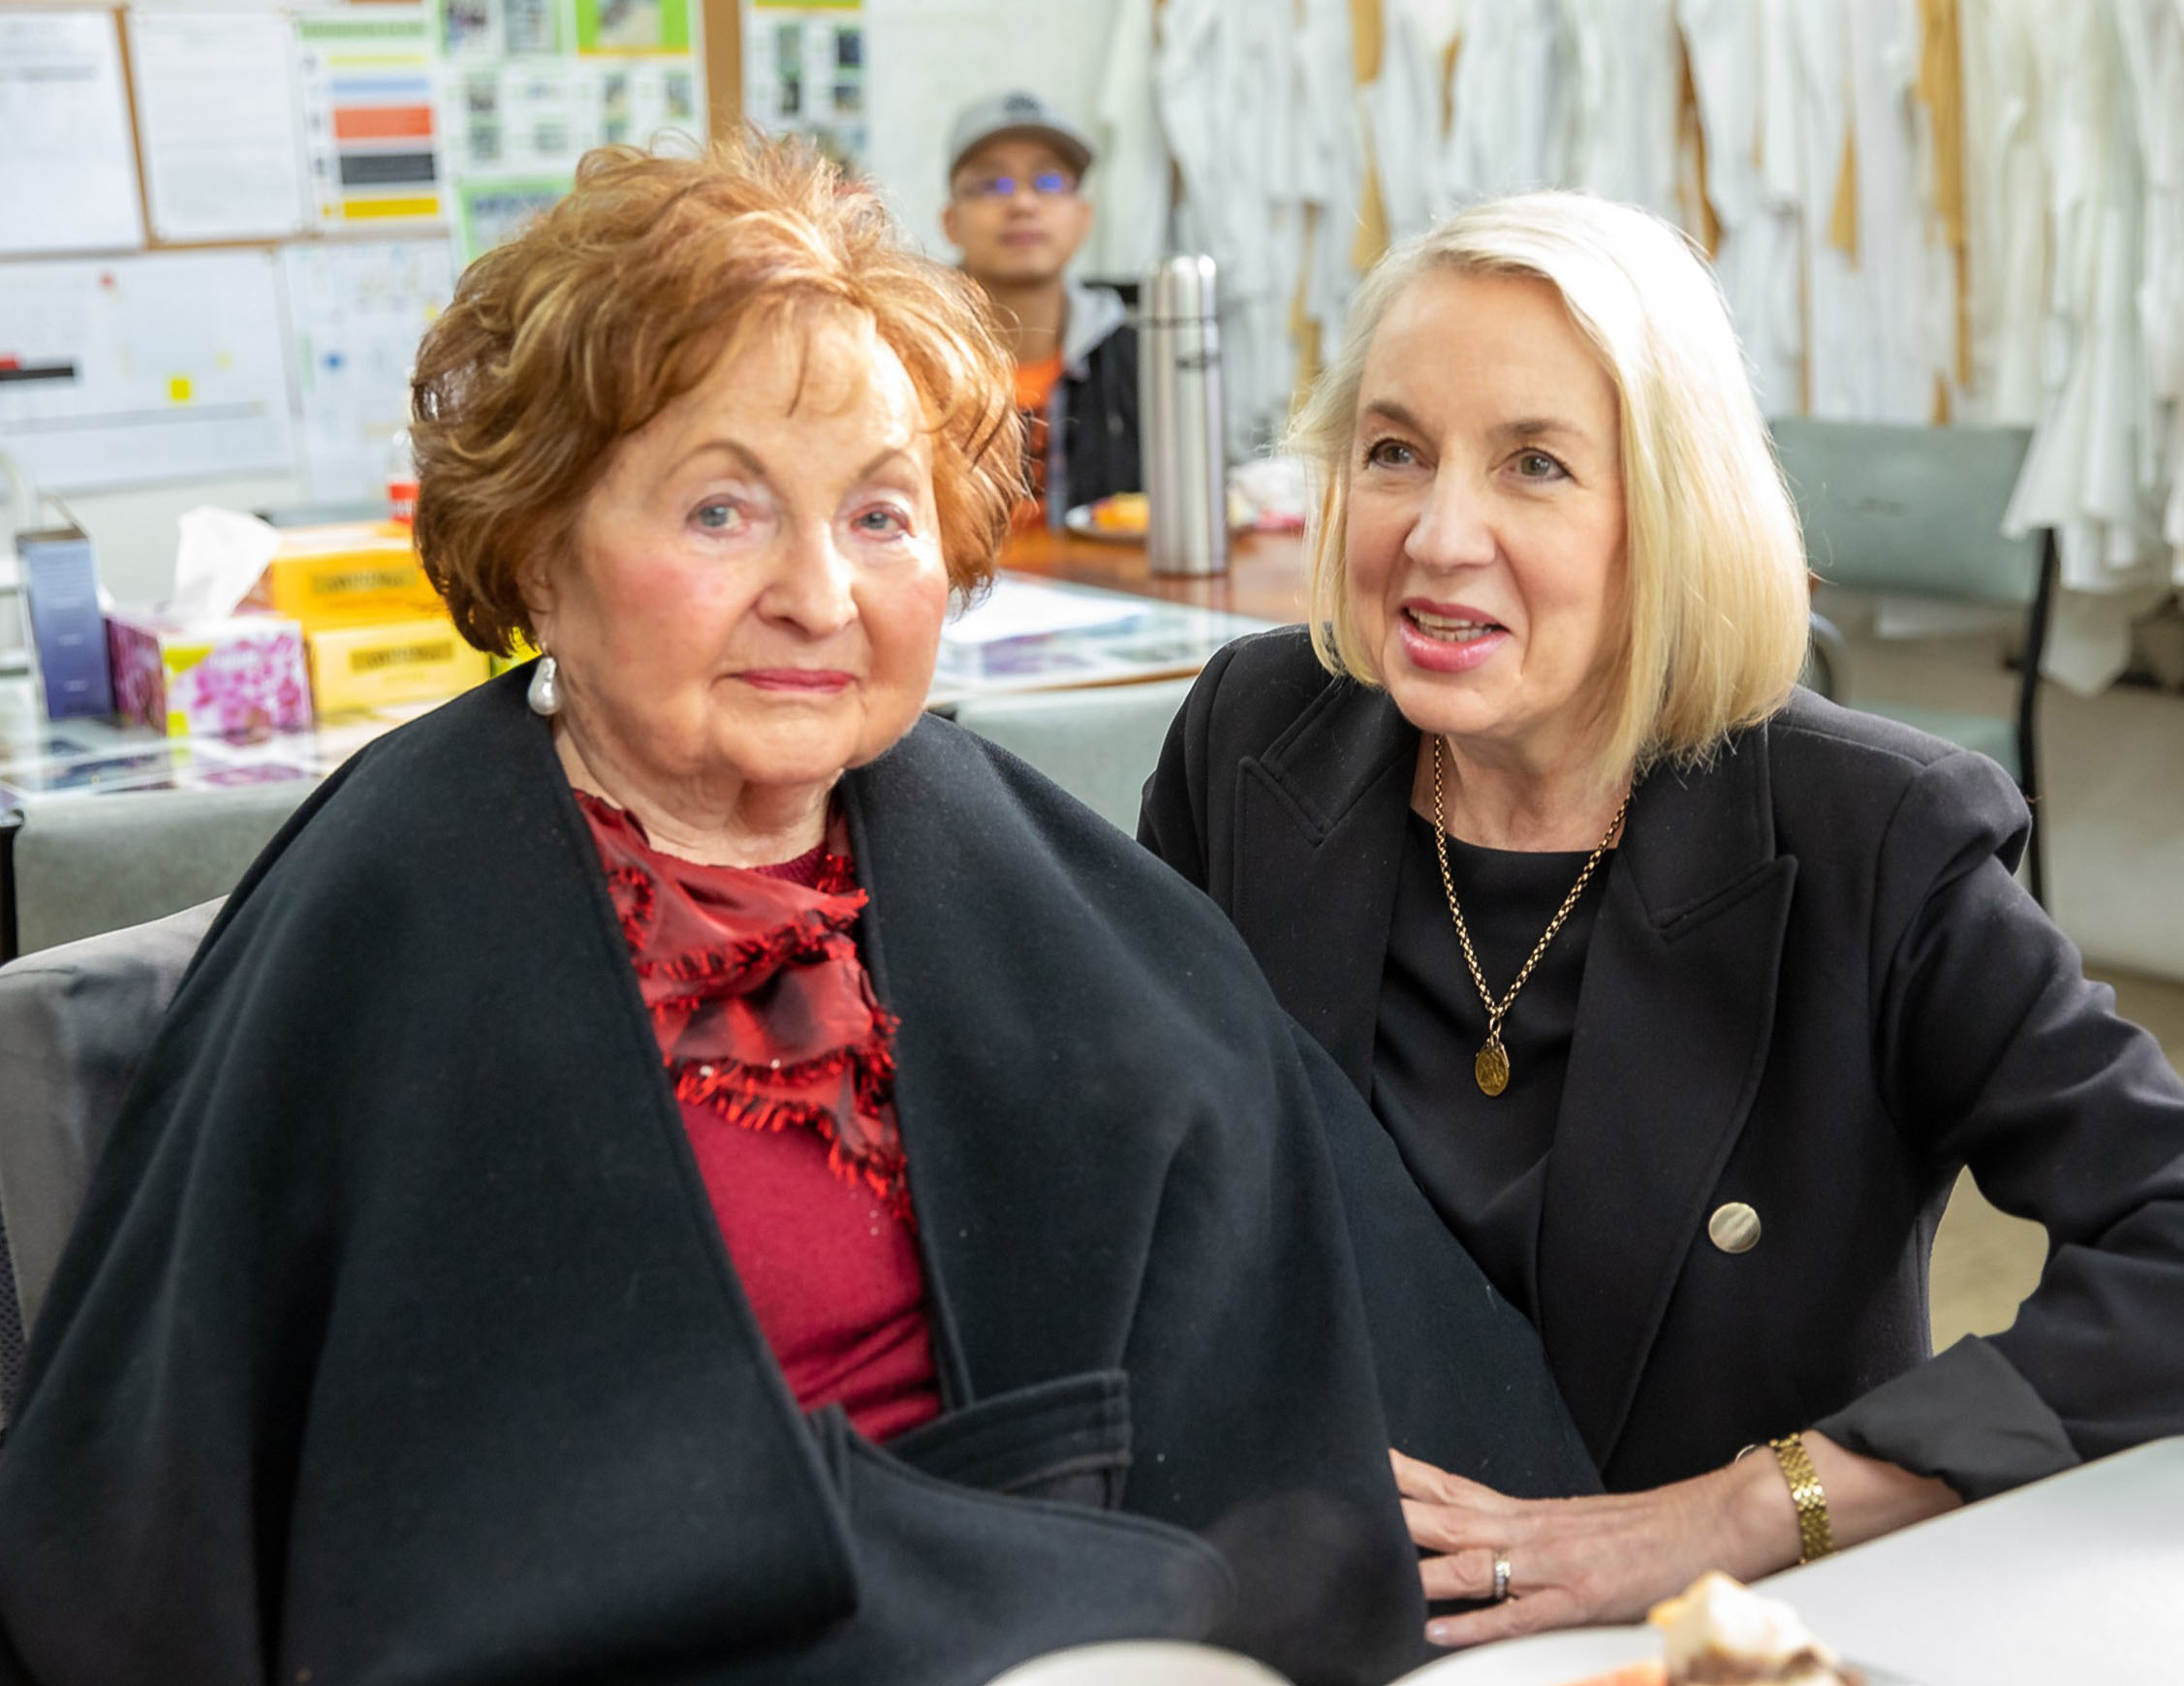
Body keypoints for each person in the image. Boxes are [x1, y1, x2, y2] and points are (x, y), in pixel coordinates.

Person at [0, 142, 1593, 1686]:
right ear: (540, 556)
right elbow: (204, 1528)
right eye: (719, 511)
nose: (819, 595)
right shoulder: (400, 902)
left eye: (880, 516)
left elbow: (1304, 1354)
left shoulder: (1017, 864)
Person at [1139, 191, 2184, 1647]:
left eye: (1536, 466)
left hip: (1706, 1637)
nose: (1440, 536)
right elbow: (1138, 1183)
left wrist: (1746, 1510)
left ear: (1671, 513)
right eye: (1393, 452)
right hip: (1312, 1607)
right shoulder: (1255, 738)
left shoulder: (1872, 838)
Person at [941, 89, 1140, 526]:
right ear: (951, 222)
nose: (1023, 204)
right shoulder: (906, 362)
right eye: (992, 184)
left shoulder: (1139, 364)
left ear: (1083, 217)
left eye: (1049, 183)